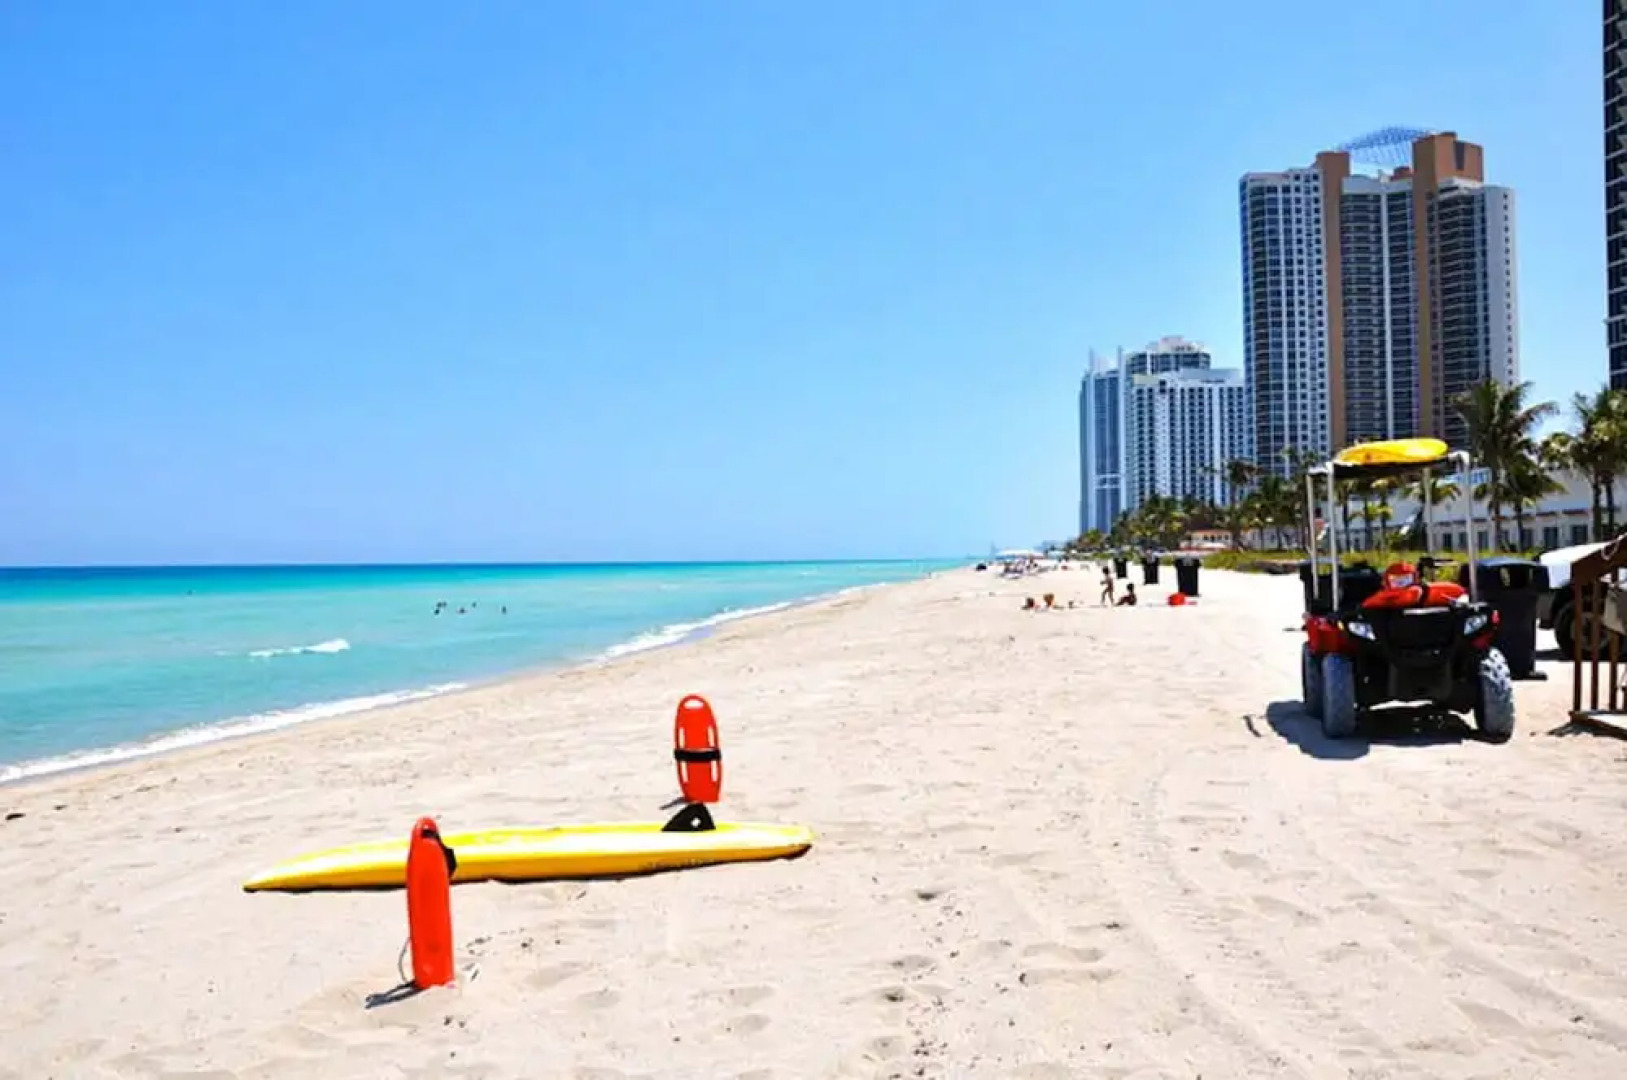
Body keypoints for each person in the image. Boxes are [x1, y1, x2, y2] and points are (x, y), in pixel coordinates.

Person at [1361, 561, 1466, 610]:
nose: (1400, 582)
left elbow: (1366, 606)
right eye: (1397, 580)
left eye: (1403, 579)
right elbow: (1460, 592)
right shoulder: (1441, 589)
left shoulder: (1381, 599)